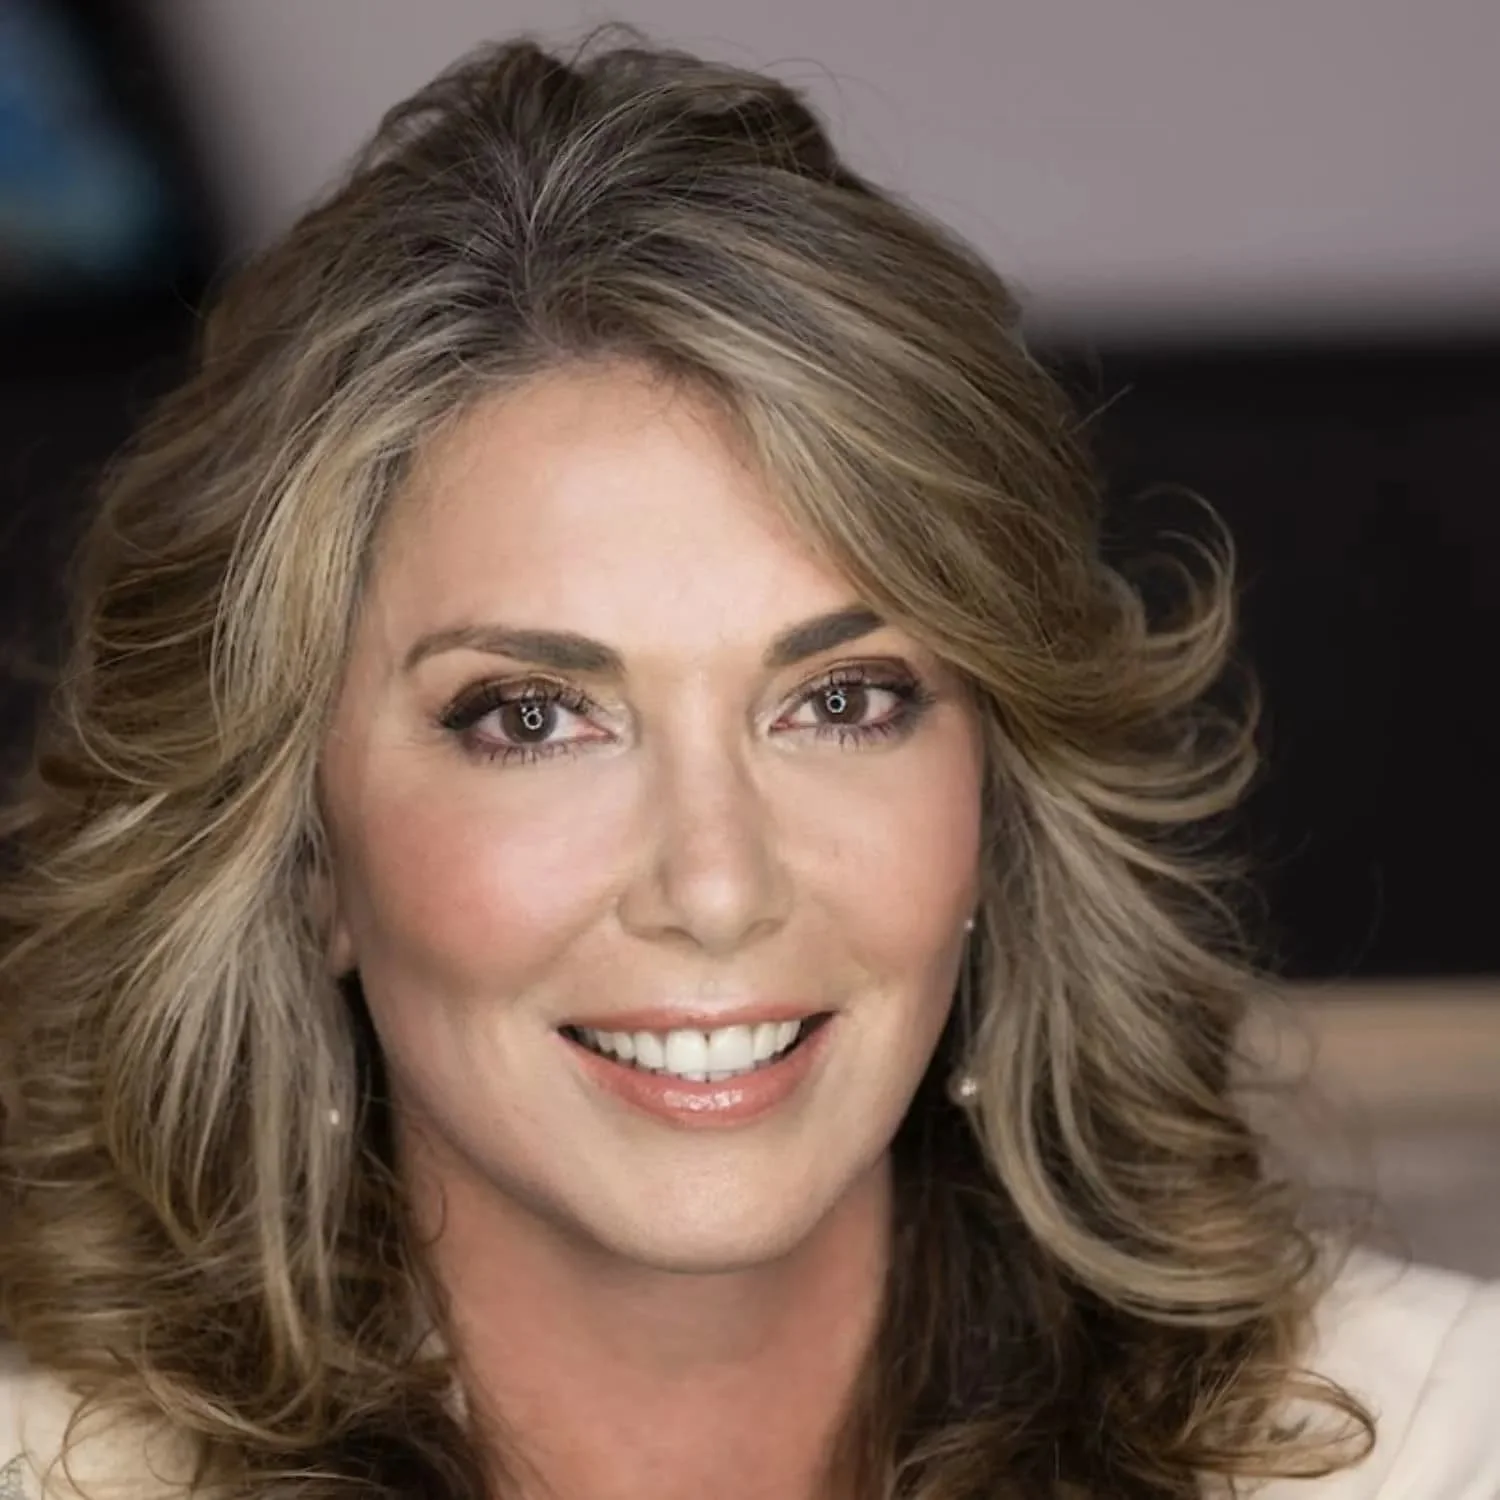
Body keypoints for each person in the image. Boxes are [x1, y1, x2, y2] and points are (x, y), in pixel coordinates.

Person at [0, 23, 1495, 1500]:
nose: (716, 887)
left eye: (841, 702)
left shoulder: (1441, 1442)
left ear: (996, 789)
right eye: (532, 716)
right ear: (308, 848)